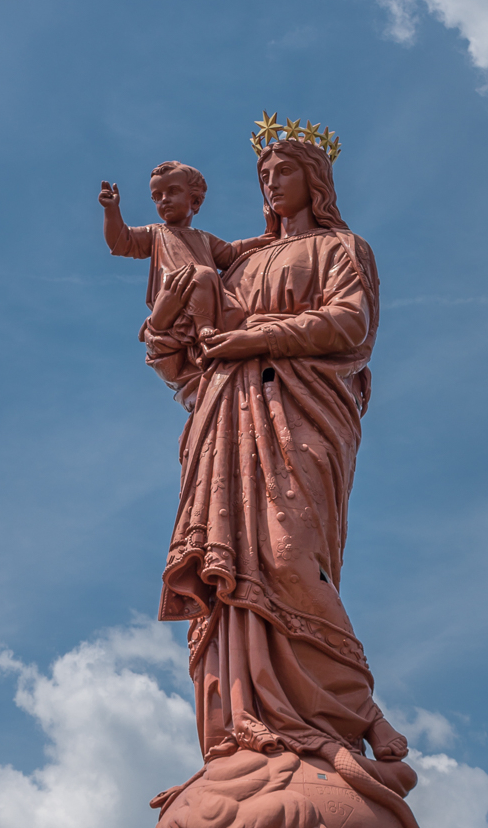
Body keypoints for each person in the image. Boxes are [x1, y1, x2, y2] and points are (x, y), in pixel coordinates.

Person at [142, 132, 415, 794]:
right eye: (263, 172)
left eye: (284, 170)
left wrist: (252, 337)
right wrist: (172, 316)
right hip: (227, 418)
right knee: (228, 571)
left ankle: (354, 712)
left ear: (314, 181)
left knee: (290, 556)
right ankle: (247, 727)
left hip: (300, 410)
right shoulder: (235, 263)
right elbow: (181, 355)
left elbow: (348, 324)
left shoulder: (341, 249)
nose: (270, 182)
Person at [98, 161, 271, 364]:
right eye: (157, 197)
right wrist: (111, 210)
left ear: (195, 201)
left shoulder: (203, 238)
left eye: (172, 192)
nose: (164, 200)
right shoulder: (156, 233)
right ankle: (202, 327)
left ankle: (207, 334)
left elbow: (231, 253)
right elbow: (121, 240)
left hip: (204, 293)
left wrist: (262, 241)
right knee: (204, 274)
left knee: (216, 287)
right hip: (173, 294)